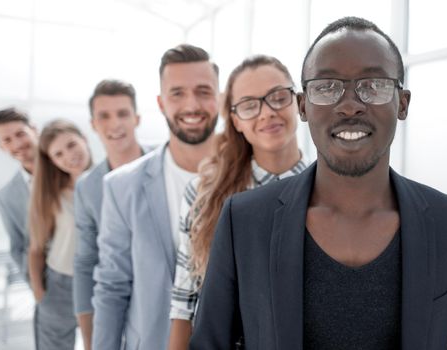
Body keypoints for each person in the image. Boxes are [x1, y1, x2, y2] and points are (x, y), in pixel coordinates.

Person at [190, 17, 447, 350]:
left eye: (373, 84)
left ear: (402, 103)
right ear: (303, 106)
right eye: (327, 87)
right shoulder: (244, 221)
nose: (349, 106)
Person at [168, 55, 308, 350]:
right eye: (249, 105)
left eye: (278, 97)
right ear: (235, 121)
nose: (267, 113)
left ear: (299, 102)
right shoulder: (204, 195)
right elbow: (184, 303)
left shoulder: (329, 190)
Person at [92, 44, 219, 350]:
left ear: (221, 99)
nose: (192, 105)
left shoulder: (252, 179)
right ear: (161, 103)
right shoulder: (121, 187)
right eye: (177, 93)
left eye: (203, 91)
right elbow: (112, 287)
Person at [73, 79, 152, 350]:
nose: (114, 124)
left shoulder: (165, 163)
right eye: (103, 116)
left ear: (137, 119)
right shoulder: (87, 186)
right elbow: (86, 262)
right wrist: (90, 341)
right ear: (93, 124)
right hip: (119, 302)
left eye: (122, 113)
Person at [29, 119, 92, 350]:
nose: (69, 155)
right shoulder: (51, 195)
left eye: (72, 145)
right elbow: (35, 250)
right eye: (58, 154)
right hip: (60, 286)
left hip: (99, 284)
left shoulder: (111, 184)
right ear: (52, 162)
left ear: (84, 139)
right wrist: (40, 295)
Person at [0, 108, 38, 281]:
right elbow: (18, 248)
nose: (17, 144)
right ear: (1, 147)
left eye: (20, 134)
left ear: (34, 130)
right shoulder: (5, 196)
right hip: (51, 294)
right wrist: (38, 290)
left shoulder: (69, 169)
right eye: (7, 140)